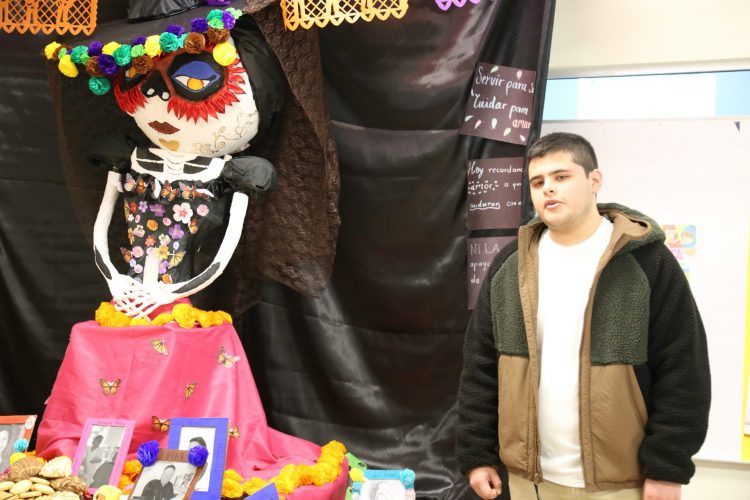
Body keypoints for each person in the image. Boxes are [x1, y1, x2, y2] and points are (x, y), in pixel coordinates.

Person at [457, 132, 711, 500]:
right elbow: (480, 367)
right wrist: (477, 454)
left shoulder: (647, 261)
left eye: (561, 176)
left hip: (622, 483)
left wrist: (667, 469)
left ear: (594, 181)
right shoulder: (510, 266)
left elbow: (683, 368)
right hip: (530, 481)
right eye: (537, 182)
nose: (548, 188)